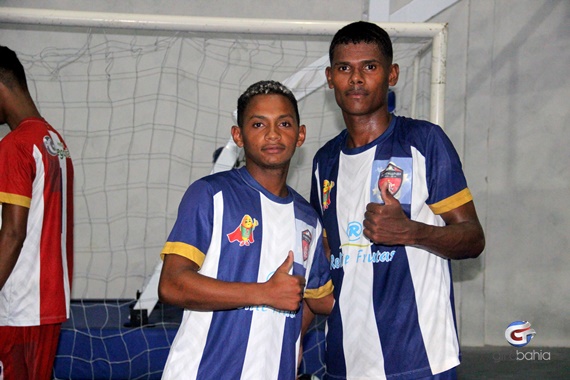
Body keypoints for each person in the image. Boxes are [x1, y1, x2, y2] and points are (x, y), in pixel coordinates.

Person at [310, 21, 485, 379]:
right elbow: (327, 256)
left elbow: (473, 238)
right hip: (345, 362)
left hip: (419, 359)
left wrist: (411, 232)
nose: (356, 79)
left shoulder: (425, 141)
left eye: (369, 67)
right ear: (330, 79)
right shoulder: (323, 161)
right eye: (345, 68)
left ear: (392, 74)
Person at [158, 80, 334, 379]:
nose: (273, 134)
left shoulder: (309, 218)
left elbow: (317, 299)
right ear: (238, 136)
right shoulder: (210, 194)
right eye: (258, 124)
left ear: (300, 134)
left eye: (285, 123)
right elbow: (172, 285)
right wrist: (264, 293)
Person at [0, 46, 74, 380]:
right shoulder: (54, 141)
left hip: (18, 306)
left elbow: (13, 233)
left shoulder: (15, 144)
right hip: (49, 302)